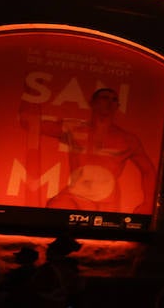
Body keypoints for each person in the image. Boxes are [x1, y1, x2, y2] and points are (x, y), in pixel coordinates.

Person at [21, 87, 156, 214]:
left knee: (101, 230)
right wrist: (30, 96)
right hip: (75, 194)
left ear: (117, 106)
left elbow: (148, 170)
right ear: (92, 102)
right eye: (105, 98)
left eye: (114, 100)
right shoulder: (73, 129)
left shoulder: (127, 139)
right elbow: (29, 124)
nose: (109, 102)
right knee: (55, 210)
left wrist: (148, 203)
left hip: (106, 200)